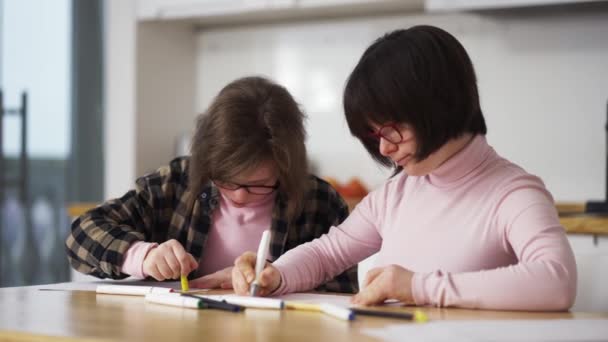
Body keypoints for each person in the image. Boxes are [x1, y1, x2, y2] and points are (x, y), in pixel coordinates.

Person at [231, 26, 577, 311]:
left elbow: (556, 280)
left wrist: (419, 286)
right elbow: (327, 253)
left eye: (391, 128)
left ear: (439, 105)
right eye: (374, 135)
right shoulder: (398, 193)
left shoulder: (512, 192)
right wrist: (277, 275)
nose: (383, 148)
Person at [65, 76, 358, 293]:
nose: (239, 195)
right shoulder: (177, 182)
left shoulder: (318, 202)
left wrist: (275, 282)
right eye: (227, 180)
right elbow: (81, 235)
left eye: (259, 185)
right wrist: (142, 255)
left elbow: (344, 293)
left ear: (286, 167)